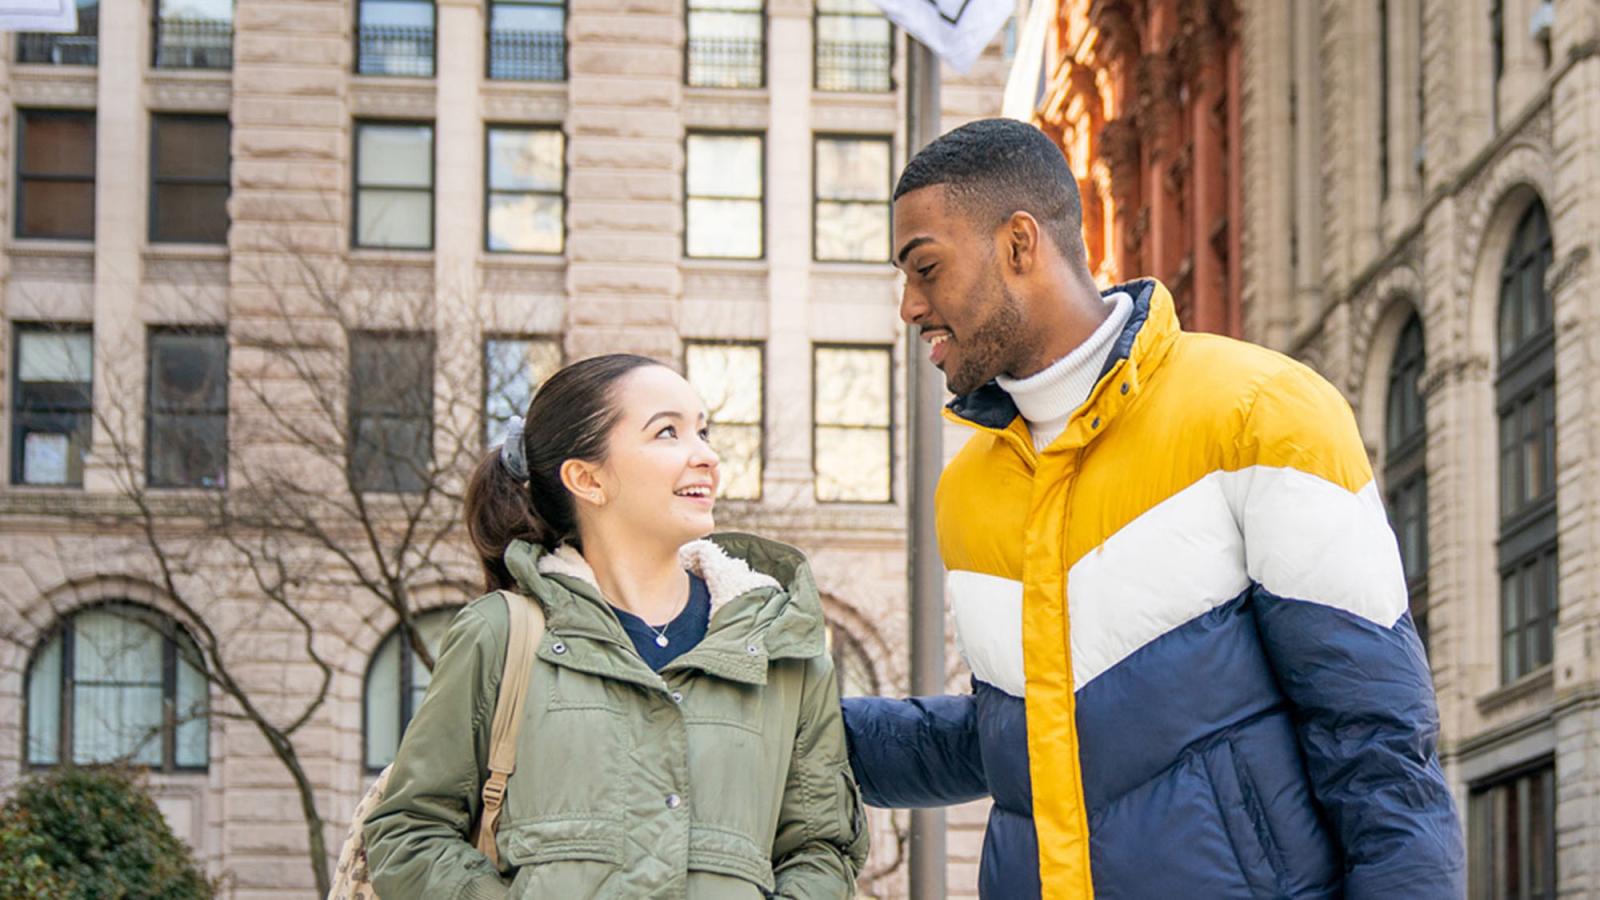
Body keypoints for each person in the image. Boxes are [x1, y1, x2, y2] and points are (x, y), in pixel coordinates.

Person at [842, 118, 1464, 899]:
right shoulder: (967, 490)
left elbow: (1378, 747)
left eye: (925, 268)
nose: (909, 306)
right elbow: (1020, 740)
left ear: (1020, 245)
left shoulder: (1261, 412)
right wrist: (795, 729)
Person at [363, 353, 868, 899]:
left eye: (703, 431)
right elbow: (408, 832)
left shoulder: (779, 643)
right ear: (587, 478)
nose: (706, 457)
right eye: (668, 432)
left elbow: (822, 847)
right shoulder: (502, 635)